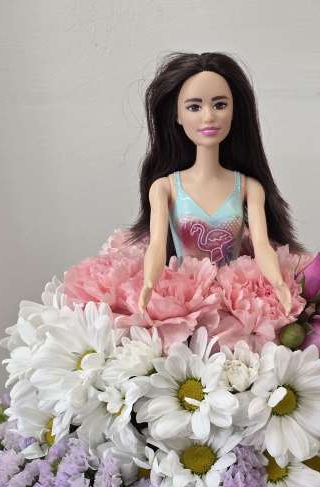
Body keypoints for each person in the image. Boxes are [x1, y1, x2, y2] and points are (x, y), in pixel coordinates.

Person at [123, 52, 306, 316]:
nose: (208, 117)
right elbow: (156, 246)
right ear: (177, 115)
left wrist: (278, 283)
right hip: (186, 299)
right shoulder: (165, 188)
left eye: (220, 105)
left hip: (232, 301)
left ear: (234, 111)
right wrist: (149, 284)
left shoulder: (249, 187)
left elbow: (262, 245)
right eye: (194, 107)